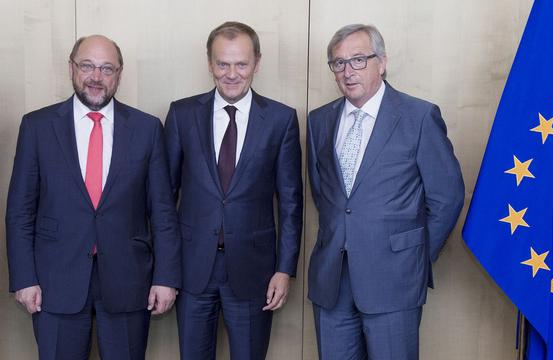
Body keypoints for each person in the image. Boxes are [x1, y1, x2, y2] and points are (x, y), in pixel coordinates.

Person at [5, 35, 181, 359]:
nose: (96, 77)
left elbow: (163, 213)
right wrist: (24, 278)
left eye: (106, 68)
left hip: (129, 281)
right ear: (71, 67)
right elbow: (19, 211)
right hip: (54, 282)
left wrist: (166, 278)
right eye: (87, 66)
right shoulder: (37, 127)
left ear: (120, 73)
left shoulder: (147, 129)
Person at [307, 24, 465, 359]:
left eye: (359, 60)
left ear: (382, 62)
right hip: (331, 280)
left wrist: (415, 257)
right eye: (339, 63)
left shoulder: (419, 116)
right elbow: (324, 193)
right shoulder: (319, 120)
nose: (349, 71)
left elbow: (447, 197)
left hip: (395, 279)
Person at [164, 21, 303, 359]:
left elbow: (291, 203)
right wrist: (164, 270)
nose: (231, 73)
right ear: (209, 63)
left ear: (257, 62)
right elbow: (163, 198)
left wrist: (284, 270)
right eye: (222, 63)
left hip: (255, 271)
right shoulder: (182, 115)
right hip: (192, 269)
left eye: (241, 63)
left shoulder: (281, 119)